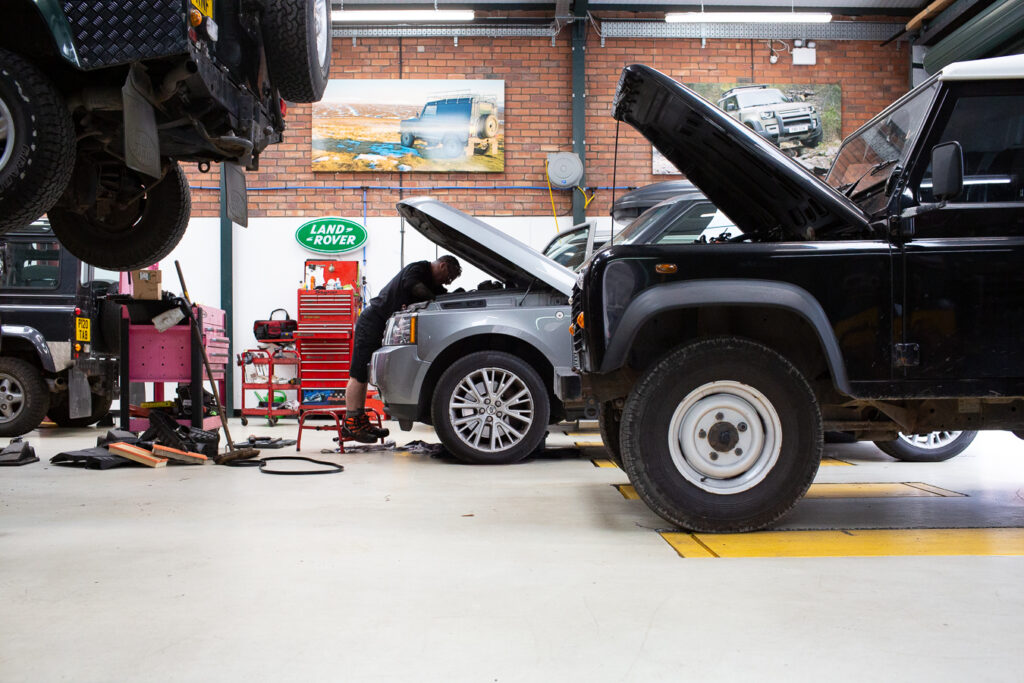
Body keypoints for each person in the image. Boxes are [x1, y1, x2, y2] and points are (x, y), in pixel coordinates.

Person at [343, 255, 462, 442]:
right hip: (372, 320)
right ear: (443, 265)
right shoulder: (419, 269)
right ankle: (350, 423)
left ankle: (360, 420)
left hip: (383, 324)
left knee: (365, 373)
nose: (447, 282)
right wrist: (435, 296)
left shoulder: (431, 280)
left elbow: (442, 295)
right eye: (448, 277)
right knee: (358, 372)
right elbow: (414, 287)